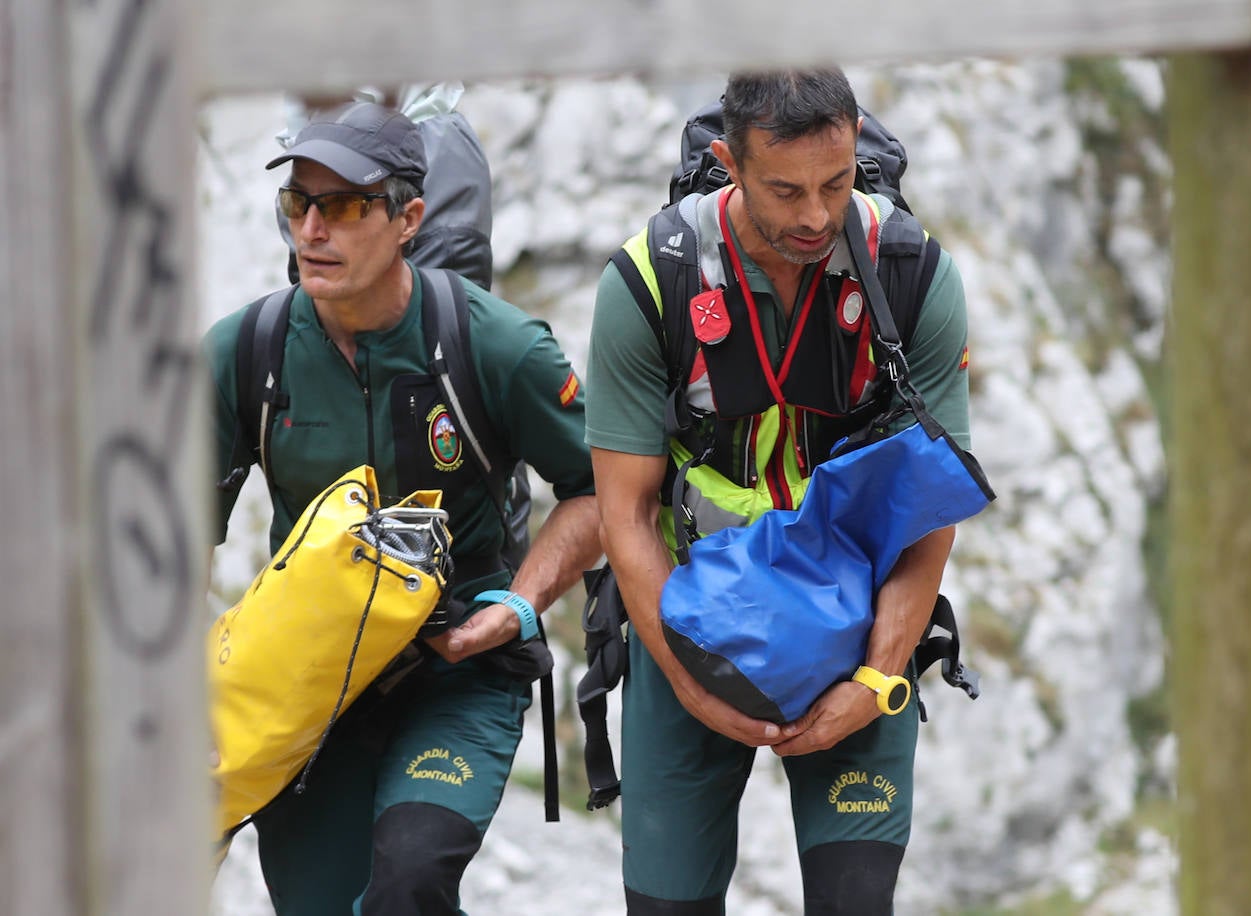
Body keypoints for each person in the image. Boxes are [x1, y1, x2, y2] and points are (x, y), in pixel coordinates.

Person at [585, 67, 972, 914]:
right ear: (729, 162)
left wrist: (874, 684)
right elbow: (626, 512)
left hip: (860, 624)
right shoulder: (651, 282)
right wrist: (691, 685)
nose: (814, 216)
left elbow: (929, 508)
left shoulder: (910, 274)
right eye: (785, 189)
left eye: (835, 184)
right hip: (689, 622)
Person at [203, 100, 601, 915]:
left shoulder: (495, 346)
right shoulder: (247, 353)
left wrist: (520, 608)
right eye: (297, 205)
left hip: (458, 671)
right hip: (310, 685)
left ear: (409, 218)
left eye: (345, 206)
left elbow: (597, 491)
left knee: (409, 882)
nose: (314, 229)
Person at [275, 84, 495, 289]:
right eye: (293, 202)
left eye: (341, 205)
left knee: (431, 304)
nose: (308, 232)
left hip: (404, 131)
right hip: (324, 137)